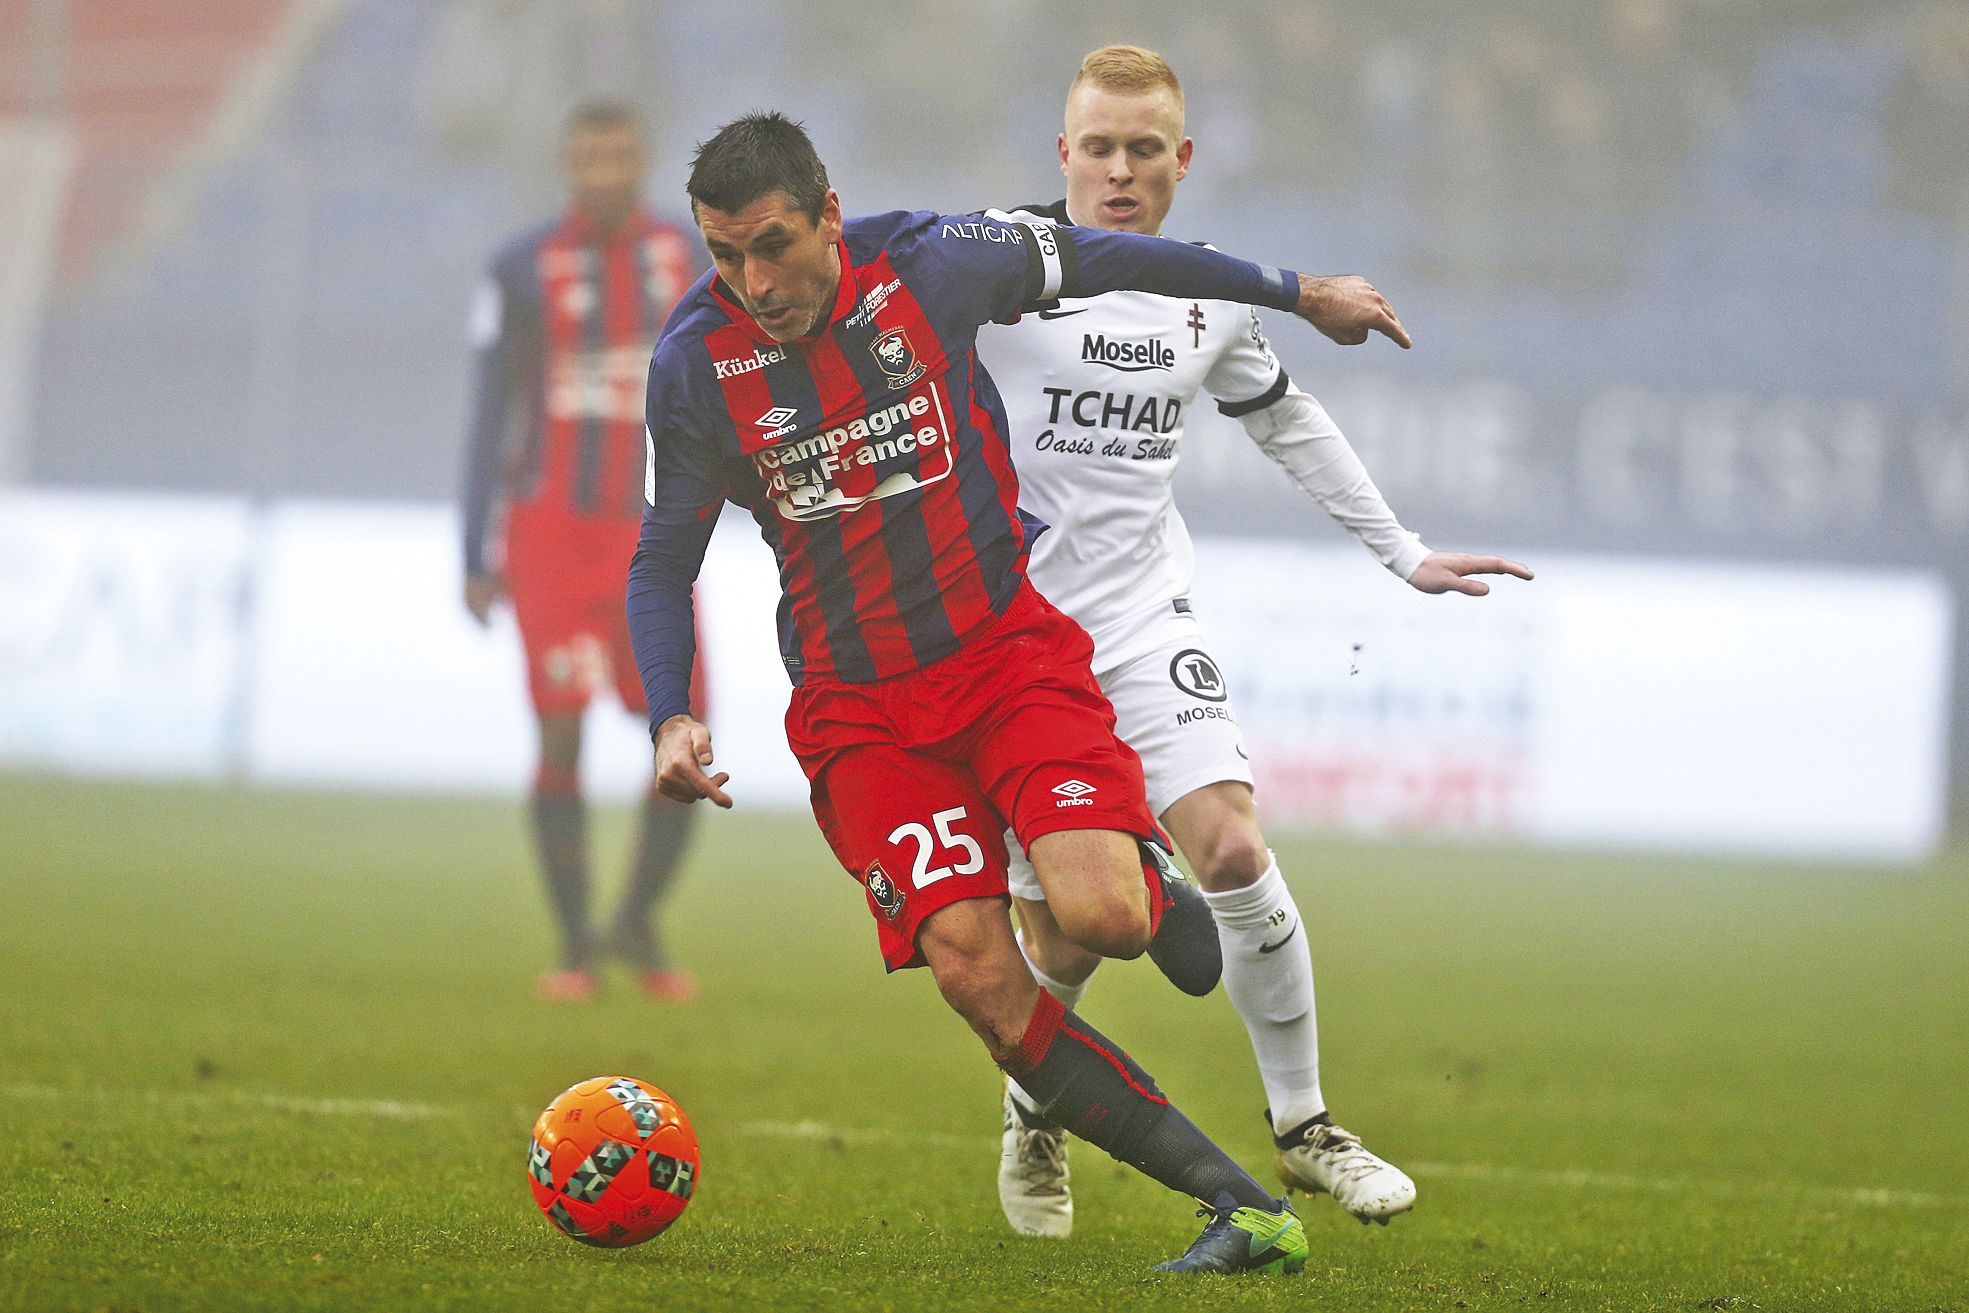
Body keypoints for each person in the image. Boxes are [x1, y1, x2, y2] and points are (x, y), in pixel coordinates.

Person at [628, 111, 1409, 1274]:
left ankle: (1141, 877)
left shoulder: (936, 262)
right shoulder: (695, 365)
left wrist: (1299, 293)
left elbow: (1115, 258)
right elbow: (662, 552)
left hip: (1005, 657)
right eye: (723, 254)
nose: (753, 281)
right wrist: (669, 708)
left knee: (1100, 919)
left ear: (827, 215)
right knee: (979, 977)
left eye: (773, 245)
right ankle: (1243, 1208)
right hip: (859, 709)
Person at [975, 46, 1533, 1238]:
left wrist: (1403, 552)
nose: (1119, 172)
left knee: (1228, 846)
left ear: (1182, 161)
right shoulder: (986, 273)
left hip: (1139, 618)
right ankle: (1035, 1102)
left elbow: (1288, 420)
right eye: (1098, 148)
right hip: (1013, 647)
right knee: (1070, 926)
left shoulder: (1208, 296)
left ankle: (1307, 1127)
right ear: (1060, 154)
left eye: (1143, 152)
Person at [459, 100, 705, 1002]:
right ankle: (573, 945)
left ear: (640, 160)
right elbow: (489, 414)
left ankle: (634, 918)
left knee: (685, 744)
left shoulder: (686, 258)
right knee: (559, 728)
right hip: (549, 537)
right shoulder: (519, 268)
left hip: (653, 537)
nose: (605, 170)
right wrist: (472, 550)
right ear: (569, 163)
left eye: (620, 153)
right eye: (589, 155)